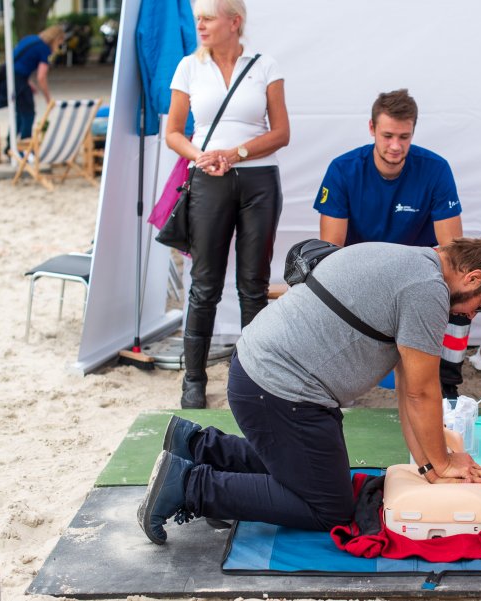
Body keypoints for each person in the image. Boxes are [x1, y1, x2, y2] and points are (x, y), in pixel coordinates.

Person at [137, 238, 481, 543]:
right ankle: (189, 485)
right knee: (329, 509)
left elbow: (409, 388)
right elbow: (421, 393)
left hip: (261, 374)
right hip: (281, 392)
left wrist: (429, 465)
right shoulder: (428, 290)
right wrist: (442, 464)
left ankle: (196, 445)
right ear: (473, 278)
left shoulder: (410, 260)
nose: (471, 316)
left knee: (310, 473)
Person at [165, 0, 289, 409]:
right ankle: (194, 379)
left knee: (253, 286)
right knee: (204, 286)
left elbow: (281, 133)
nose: (199, 24)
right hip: (208, 180)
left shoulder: (265, 65)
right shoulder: (189, 66)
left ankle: (253, 377)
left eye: (207, 18)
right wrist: (201, 155)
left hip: (258, 182)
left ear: (234, 22)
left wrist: (234, 152)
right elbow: (174, 133)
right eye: (197, 17)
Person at [313, 89, 469, 399]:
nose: (396, 146)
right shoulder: (343, 170)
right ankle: (329, 386)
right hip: (361, 275)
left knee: (464, 283)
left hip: (418, 276)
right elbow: (329, 251)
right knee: (318, 286)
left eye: (404, 136)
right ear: (371, 129)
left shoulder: (435, 169)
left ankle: (447, 385)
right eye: (387, 135)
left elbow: (453, 249)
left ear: (413, 132)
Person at [0, 25, 65, 143]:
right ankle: (24, 144)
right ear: (56, 39)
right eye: (60, 43)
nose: (59, 46)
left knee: (19, 112)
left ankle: (11, 144)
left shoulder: (30, 39)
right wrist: (48, 99)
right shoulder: (44, 49)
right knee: (28, 113)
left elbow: (19, 60)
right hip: (18, 79)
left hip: (8, 76)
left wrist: (27, 82)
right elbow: (41, 77)